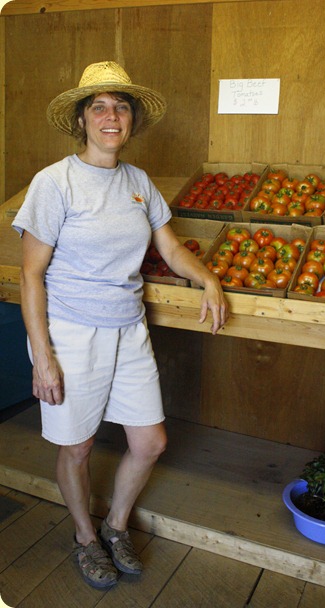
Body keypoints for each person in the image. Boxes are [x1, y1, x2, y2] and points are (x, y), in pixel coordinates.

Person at [12, 61, 229, 590]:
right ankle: (86, 537)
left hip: (129, 330)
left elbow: (170, 248)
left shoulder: (138, 182)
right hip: (71, 332)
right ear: (81, 120)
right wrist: (43, 357)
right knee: (78, 447)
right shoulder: (55, 182)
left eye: (121, 107)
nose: (112, 116)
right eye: (100, 107)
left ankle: (115, 525)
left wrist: (208, 279)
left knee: (150, 441)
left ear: (131, 121)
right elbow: (30, 274)